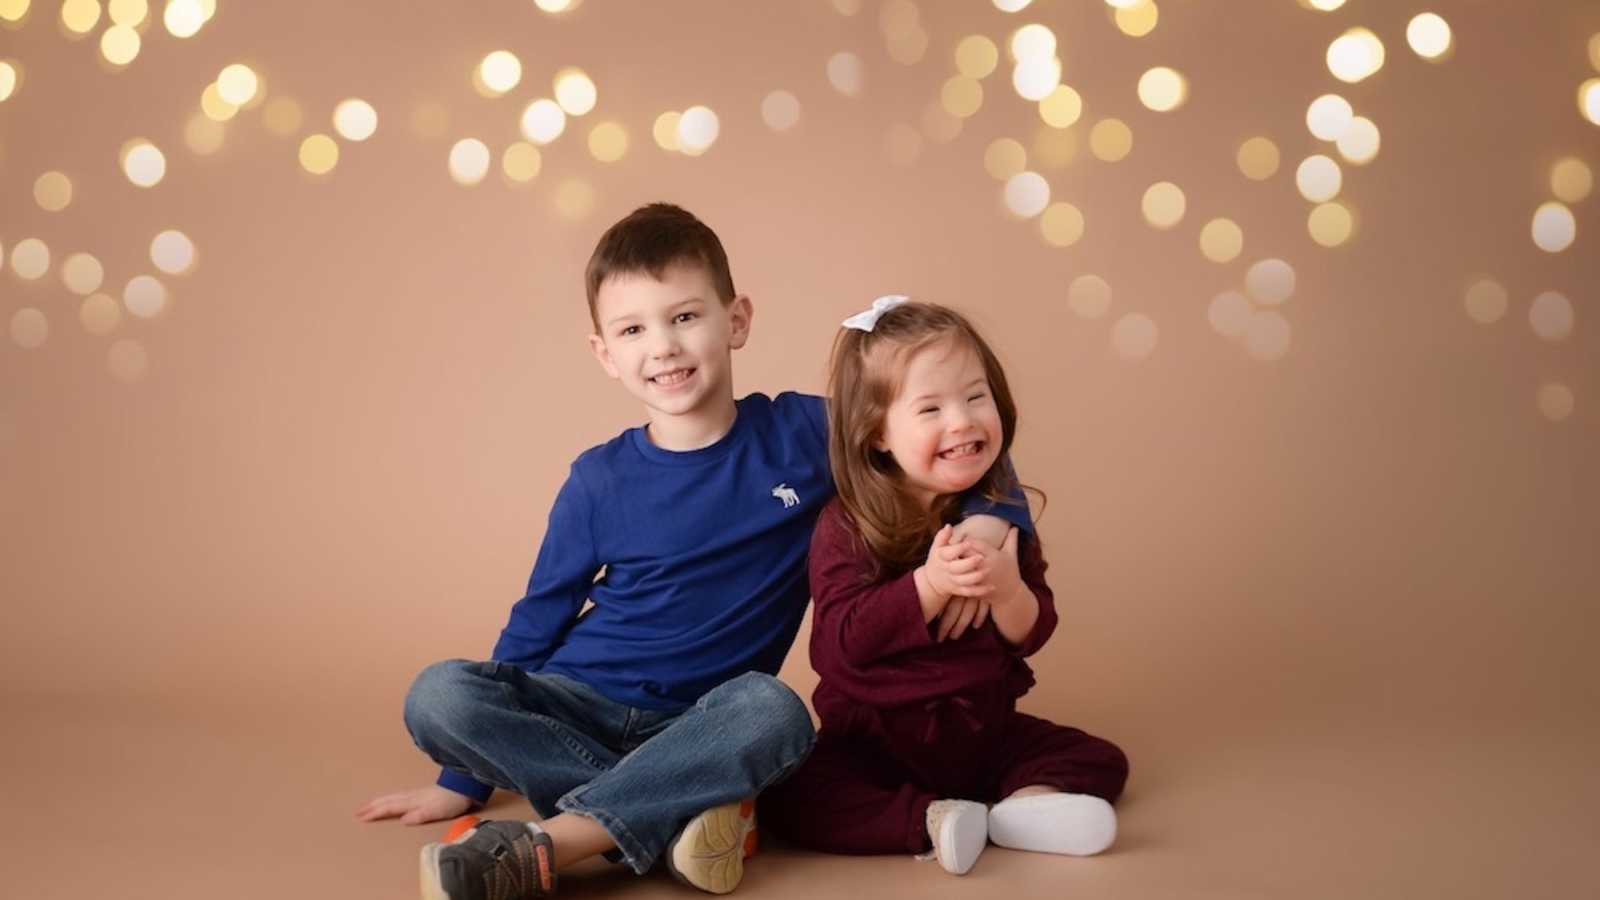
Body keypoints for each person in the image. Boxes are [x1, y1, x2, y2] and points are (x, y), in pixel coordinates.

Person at [357, 206, 1029, 900]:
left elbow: (944, 452)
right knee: (438, 694)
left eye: (684, 318)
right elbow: (536, 622)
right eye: (633, 330)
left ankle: (557, 842)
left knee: (779, 714)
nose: (664, 347)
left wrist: (986, 523)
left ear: (735, 320)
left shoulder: (805, 434)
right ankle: (674, 813)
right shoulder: (598, 479)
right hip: (576, 705)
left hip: (709, 718)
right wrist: (459, 784)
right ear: (605, 354)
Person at [762, 298, 1129, 876]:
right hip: (876, 744)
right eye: (930, 408)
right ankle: (931, 820)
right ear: (878, 434)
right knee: (793, 795)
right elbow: (838, 646)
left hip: (982, 731)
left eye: (975, 397)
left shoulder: (997, 517)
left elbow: (1033, 632)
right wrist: (928, 586)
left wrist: (1009, 591)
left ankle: (1023, 809)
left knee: (1101, 760)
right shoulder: (848, 523)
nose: (961, 421)